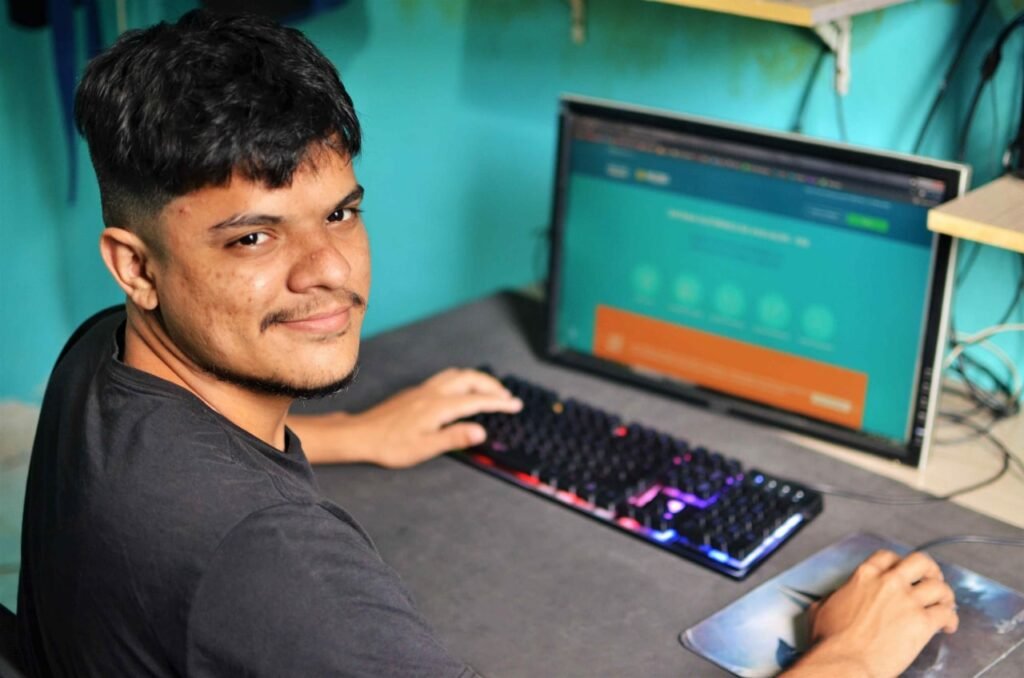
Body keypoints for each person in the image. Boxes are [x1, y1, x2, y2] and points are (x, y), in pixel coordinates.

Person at [18, 9, 957, 677]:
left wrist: (357, 435)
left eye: (339, 213)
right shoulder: (274, 565)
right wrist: (853, 656)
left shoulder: (104, 356)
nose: (328, 271)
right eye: (254, 237)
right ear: (136, 266)